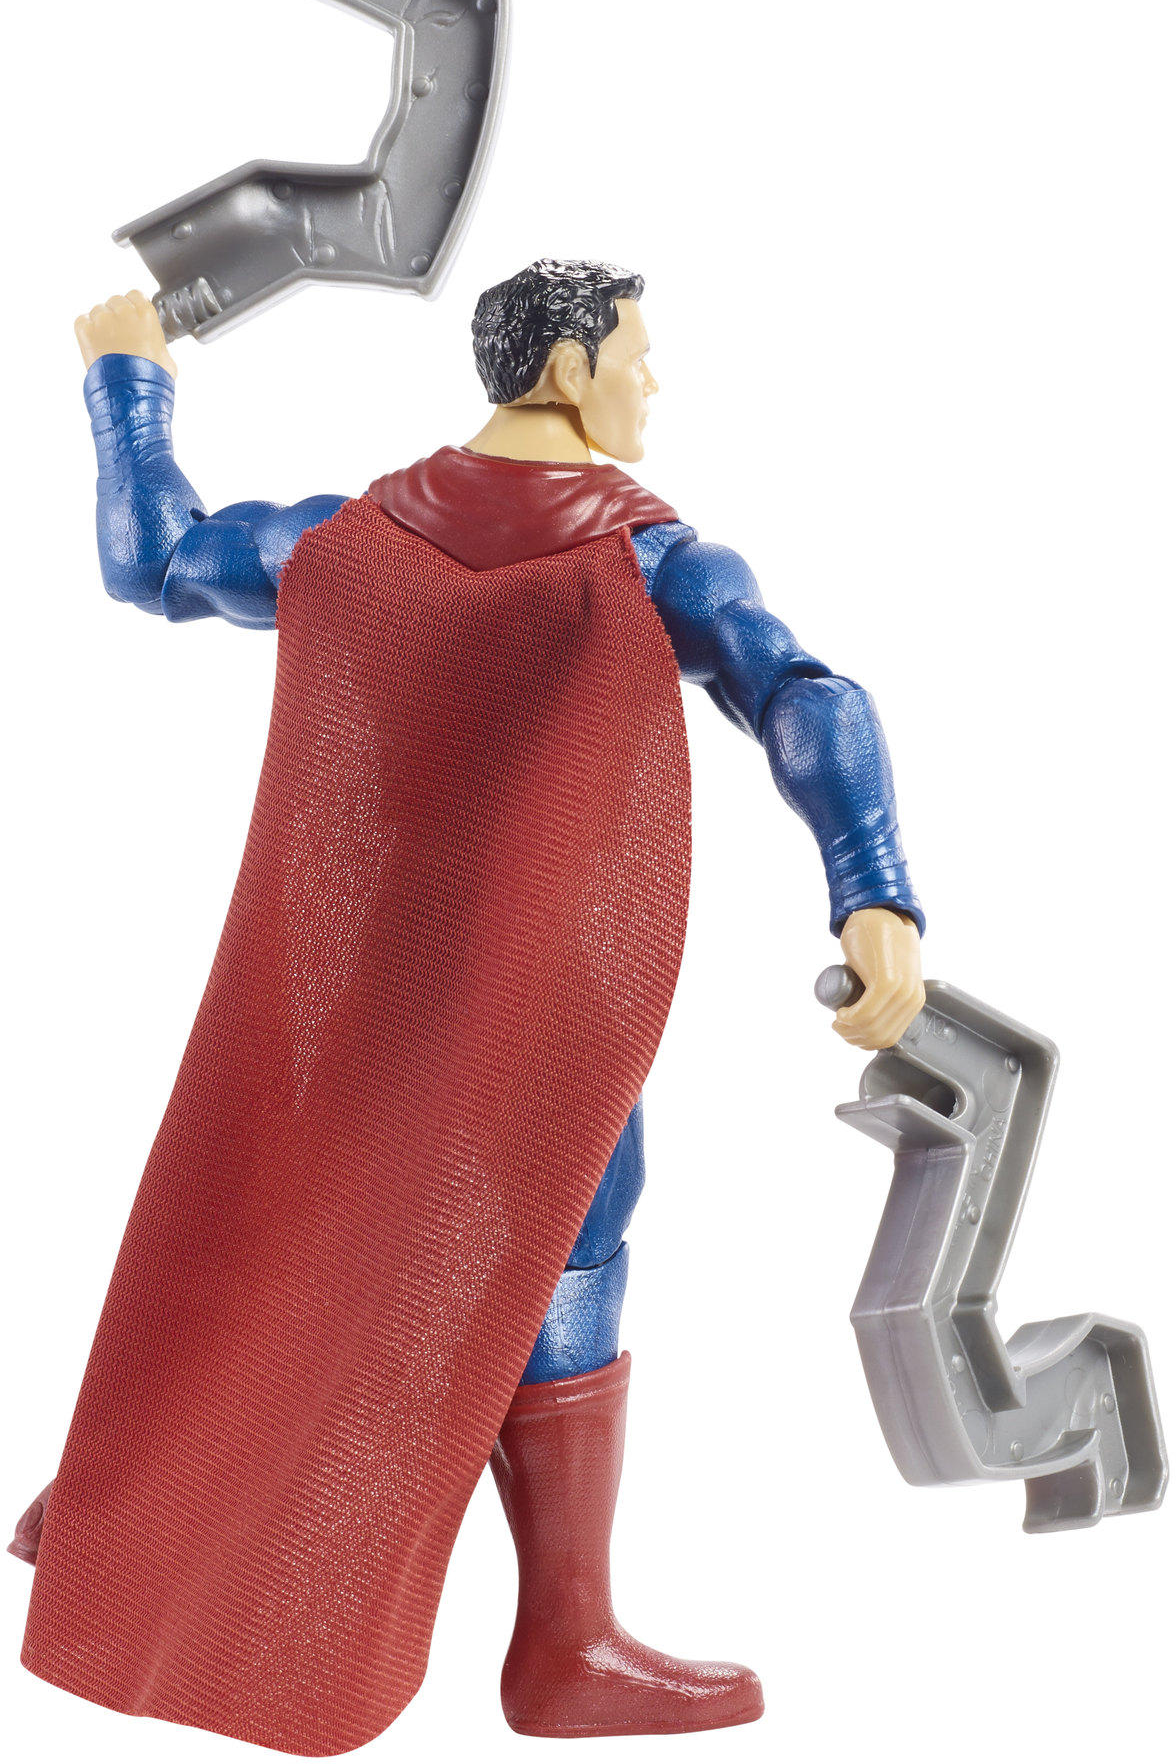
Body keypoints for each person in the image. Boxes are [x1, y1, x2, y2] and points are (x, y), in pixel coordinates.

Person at [16, 261, 924, 1752]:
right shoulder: (649, 564)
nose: (650, 385)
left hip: (347, 996)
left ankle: (131, 1502)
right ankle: (565, 1640)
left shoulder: (345, 539)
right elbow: (806, 696)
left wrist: (129, 381)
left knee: (279, 1204)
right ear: (566, 369)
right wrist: (872, 886)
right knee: (571, 1239)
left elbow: (155, 556)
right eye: (635, 357)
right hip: (544, 1010)